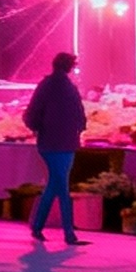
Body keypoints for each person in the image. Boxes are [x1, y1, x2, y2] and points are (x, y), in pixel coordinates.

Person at [23, 51, 88, 245]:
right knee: (62, 187)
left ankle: (37, 227)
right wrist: (79, 129)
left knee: (55, 185)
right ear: (68, 67)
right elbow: (79, 114)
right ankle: (69, 233)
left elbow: (32, 113)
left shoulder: (46, 86)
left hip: (48, 143)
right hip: (65, 143)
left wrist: (37, 129)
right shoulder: (68, 88)